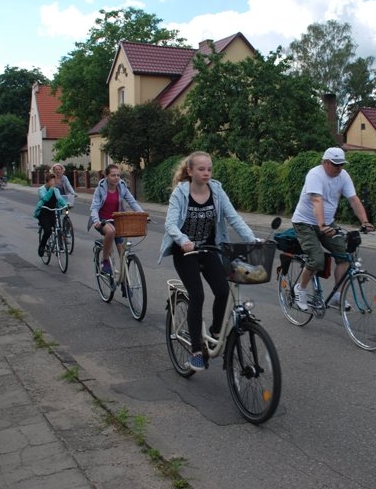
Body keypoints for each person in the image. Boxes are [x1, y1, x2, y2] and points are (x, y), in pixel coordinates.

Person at [159, 151, 257, 372]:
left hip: (209, 248)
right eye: (201, 169)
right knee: (198, 295)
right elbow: (170, 224)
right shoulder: (180, 193)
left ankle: (215, 331)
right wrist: (183, 240)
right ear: (190, 171)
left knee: (223, 291)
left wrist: (253, 239)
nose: (206, 173)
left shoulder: (217, 191)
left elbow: (234, 218)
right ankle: (196, 351)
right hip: (185, 252)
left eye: (209, 169)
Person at [291, 147, 374, 310]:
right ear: (325, 162)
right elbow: (317, 200)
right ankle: (300, 289)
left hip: (327, 223)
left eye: (341, 164)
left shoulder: (343, 176)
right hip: (305, 223)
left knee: (345, 256)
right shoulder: (315, 175)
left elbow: (353, 199)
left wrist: (365, 221)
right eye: (335, 164)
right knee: (317, 259)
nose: (339, 168)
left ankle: (337, 295)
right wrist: (322, 225)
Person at [88, 164, 144, 275]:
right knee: (110, 231)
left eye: (118, 175)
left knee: (122, 251)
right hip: (102, 220)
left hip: (117, 220)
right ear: (106, 176)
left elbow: (132, 202)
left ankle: (124, 278)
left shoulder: (122, 186)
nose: (116, 178)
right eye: (113, 175)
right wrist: (96, 221)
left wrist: (142, 215)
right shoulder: (100, 189)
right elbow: (94, 207)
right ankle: (105, 262)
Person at [34, 173, 68, 256]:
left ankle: (59, 245)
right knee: (48, 231)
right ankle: (42, 246)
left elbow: (60, 199)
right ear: (47, 182)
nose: (54, 183)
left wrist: (65, 205)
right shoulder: (41, 189)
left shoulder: (56, 190)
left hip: (53, 211)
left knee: (58, 229)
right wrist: (51, 189)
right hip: (44, 213)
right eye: (52, 181)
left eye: (54, 181)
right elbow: (45, 198)